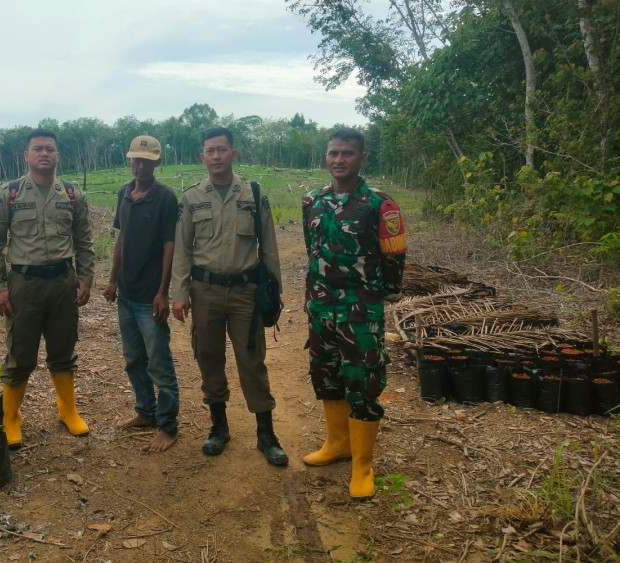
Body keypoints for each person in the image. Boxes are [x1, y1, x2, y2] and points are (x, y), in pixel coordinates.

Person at [170, 127, 288, 467]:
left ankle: (266, 434)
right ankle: (218, 427)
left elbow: (269, 245)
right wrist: (179, 294)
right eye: (211, 151)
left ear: (233, 154)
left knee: (251, 359)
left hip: (245, 292)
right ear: (202, 157)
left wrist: (274, 289)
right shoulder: (192, 198)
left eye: (222, 150)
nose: (217, 156)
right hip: (204, 290)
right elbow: (183, 250)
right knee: (208, 356)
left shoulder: (253, 192)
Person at [301, 128, 407, 499]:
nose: (339, 159)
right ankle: (337, 444)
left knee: (362, 382)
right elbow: (312, 250)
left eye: (347, 153)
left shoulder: (380, 204)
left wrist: (381, 299)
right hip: (321, 307)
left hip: (361, 310)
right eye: (333, 153)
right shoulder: (312, 200)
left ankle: (362, 464)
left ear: (362, 158)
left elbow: (394, 258)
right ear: (326, 157)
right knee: (327, 375)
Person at [0, 128, 95, 448]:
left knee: (63, 349)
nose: (44, 154)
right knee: (20, 353)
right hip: (23, 284)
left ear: (57, 155)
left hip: (63, 282)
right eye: (38, 149)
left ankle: (67, 410)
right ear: (27, 156)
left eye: (50, 149)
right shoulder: (10, 194)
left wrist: (86, 277)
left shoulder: (73, 195)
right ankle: (11, 418)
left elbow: (84, 240)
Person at [103, 135, 181, 452]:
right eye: (135, 160)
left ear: (156, 163)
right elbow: (121, 240)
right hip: (126, 293)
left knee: (159, 363)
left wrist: (163, 292)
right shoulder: (125, 193)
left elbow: (169, 247)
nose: (140, 166)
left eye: (146, 161)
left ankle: (168, 425)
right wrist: (112, 280)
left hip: (150, 296)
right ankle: (145, 412)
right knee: (134, 359)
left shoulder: (165, 197)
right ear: (129, 161)